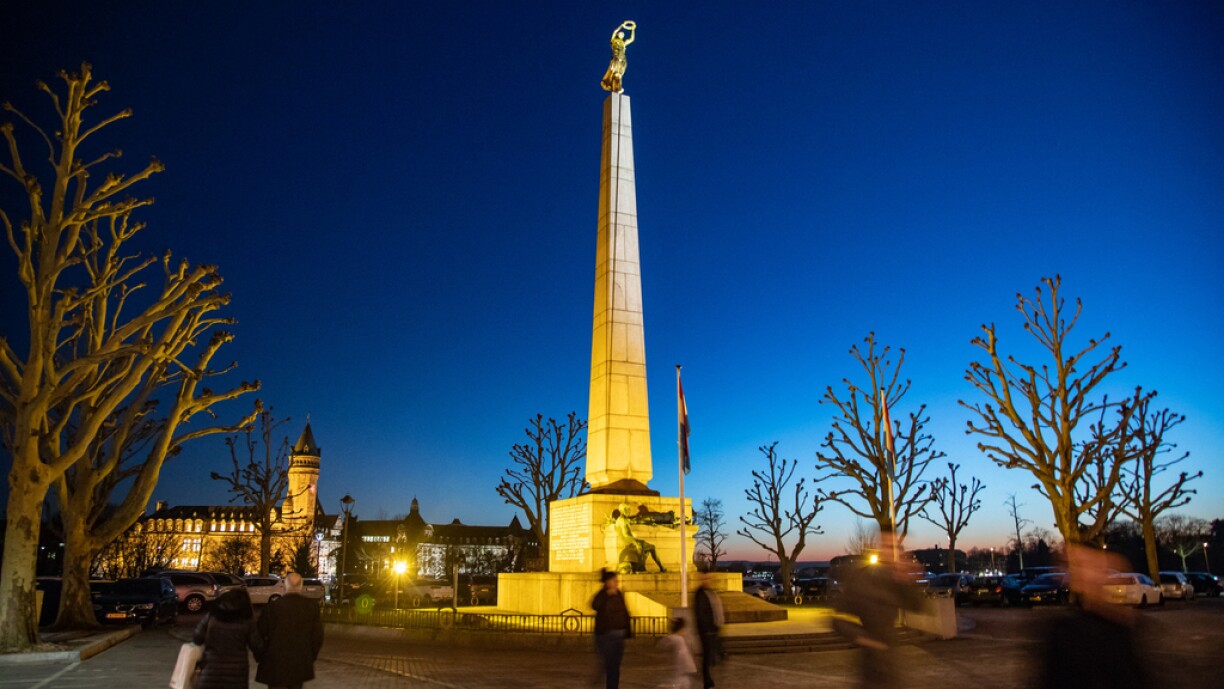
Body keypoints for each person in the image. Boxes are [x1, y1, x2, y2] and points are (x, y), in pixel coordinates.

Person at [1036, 544, 1150, 689]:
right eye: (1077, 566)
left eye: (1089, 566)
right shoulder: (1064, 631)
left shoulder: (1122, 628)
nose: (1083, 574)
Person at [833, 528, 923, 689]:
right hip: (870, 665)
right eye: (888, 546)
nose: (893, 551)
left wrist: (908, 582)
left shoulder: (895, 580)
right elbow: (838, 620)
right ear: (879, 548)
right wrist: (867, 639)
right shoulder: (862, 578)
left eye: (896, 547)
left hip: (892, 663)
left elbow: (917, 606)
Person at [254, 573, 324, 689]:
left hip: (275, 664)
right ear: (301, 586)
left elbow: (259, 634)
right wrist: (310, 656)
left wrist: (261, 656)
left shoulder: (273, 607)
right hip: (299, 662)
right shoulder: (311, 607)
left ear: (285, 586)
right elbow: (317, 637)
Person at [192, 588, 258, 689]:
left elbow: (197, 638)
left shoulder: (212, 615)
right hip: (236, 675)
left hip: (211, 671)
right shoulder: (247, 620)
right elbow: (256, 644)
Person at [592, 569, 632, 689]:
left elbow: (624, 611)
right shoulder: (603, 594)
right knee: (609, 664)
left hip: (619, 634)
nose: (616, 582)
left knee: (615, 665)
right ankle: (602, 681)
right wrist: (607, 594)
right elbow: (595, 605)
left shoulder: (618, 593)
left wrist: (627, 630)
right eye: (614, 580)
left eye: (617, 580)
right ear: (608, 582)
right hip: (606, 635)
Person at [693, 571, 725, 689]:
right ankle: (707, 681)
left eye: (710, 578)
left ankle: (709, 679)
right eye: (706, 578)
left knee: (710, 655)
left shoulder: (710, 592)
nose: (708, 580)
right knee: (707, 656)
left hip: (713, 628)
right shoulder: (700, 594)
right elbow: (701, 613)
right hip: (707, 631)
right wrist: (706, 629)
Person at [658, 617, 697, 689]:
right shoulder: (678, 639)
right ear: (682, 628)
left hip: (678, 671)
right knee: (682, 683)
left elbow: (662, 644)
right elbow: (685, 654)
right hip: (682, 670)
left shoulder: (675, 638)